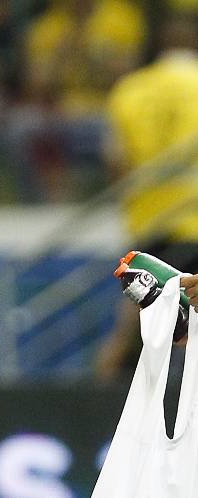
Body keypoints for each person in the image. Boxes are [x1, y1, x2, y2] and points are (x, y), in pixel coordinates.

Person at [95, 14, 198, 382]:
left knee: (134, 329)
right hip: (194, 221)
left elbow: (115, 163)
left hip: (150, 224)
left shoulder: (129, 90)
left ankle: (97, 402)